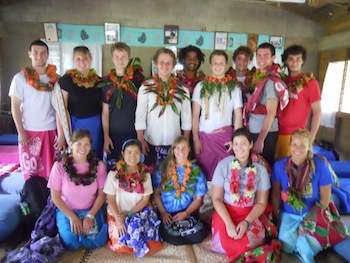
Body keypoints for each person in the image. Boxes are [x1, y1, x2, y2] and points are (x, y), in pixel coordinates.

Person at [271, 129, 348, 263]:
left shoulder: (320, 165)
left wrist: (309, 222)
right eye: (294, 144)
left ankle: (304, 245)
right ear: (289, 145)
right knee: (286, 246)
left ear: (309, 147)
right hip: (289, 214)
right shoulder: (279, 166)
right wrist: (275, 217)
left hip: (313, 213)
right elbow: (276, 195)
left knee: (306, 244)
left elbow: (325, 199)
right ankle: (303, 243)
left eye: (302, 146)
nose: (297, 149)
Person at [211, 128, 271, 261]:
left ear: (251, 144)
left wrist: (246, 222)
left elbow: (261, 203)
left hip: (249, 213)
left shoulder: (260, 169)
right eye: (236, 143)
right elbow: (216, 198)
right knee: (222, 243)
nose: (239, 148)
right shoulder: (223, 165)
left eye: (243, 143)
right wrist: (228, 223)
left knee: (250, 242)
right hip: (225, 212)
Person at [48, 129, 107, 250]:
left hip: (91, 210)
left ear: (90, 147)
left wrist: (90, 216)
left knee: (95, 241)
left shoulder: (98, 165)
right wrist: (72, 217)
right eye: (79, 143)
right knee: (71, 242)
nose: (82, 148)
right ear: (71, 144)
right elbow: (55, 197)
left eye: (86, 144)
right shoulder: (59, 166)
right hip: (67, 211)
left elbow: (102, 194)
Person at [9, 40, 59, 180]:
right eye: (35, 52)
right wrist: (21, 131)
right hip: (29, 132)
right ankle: (31, 200)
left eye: (43, 53)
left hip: (51, 130)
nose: (39, 56)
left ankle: (51, 201)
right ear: (29, 54)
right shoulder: (19, 78)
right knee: (31, 172)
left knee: (52, 173)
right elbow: (15, 106)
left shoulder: (56, 79)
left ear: (48, 55)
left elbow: (60, 108)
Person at [103, 139, 162, 257]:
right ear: (123, 154)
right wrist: (119, 219)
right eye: (129, 152)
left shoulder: (145, 174)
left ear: (140, 155)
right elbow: (111, 199)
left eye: (136, 152)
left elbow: (145, 200)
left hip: (138, 212)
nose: (133, 156)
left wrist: (129, 214)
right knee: (121, 245)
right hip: (118, 213)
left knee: (151, 244)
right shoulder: (114, 174)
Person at [135, 48, 191, 168]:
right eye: (161, 62)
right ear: (155, 64)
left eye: (168, 63)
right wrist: (140, 139)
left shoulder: (182, 90)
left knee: (172, 179)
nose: (164, 65)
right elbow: (140, 115)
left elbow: (186, 119)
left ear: (173, 65)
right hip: (150, 142)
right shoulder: (146, 87)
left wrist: (185, 141)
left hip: (174, 144)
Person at [192, 50, 243, 180]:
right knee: (205, 174)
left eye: (221, 63)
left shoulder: (234, 88)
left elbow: (238, 116)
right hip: (205, 138)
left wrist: (236, 140)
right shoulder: (201, 86)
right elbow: (194, 115)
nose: (218, 66)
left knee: (226, 174)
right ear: (210, 65)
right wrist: (196, 139)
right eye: (215, 63)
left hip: (225, 139)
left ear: (226, 65)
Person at [153, 136, 209, 245]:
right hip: (167, 213)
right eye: (177, 148)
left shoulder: (196, 170)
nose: (181, 151)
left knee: (198, 236)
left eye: (184, 148)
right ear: (173, 151)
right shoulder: (163, 168)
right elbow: (156, 194)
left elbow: (199, 199)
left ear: (189, 149)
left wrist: (186, 213)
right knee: (171, 236)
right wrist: (163, 213)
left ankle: (198, 224)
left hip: (188, 211)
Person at [100, 42, 144, 170]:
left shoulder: (137, 82)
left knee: (133, 168)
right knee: (114, 169)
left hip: (133, 133)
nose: (120, 60)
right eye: (117, 56)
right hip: (113, 135)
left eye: (124, 56)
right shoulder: (106, 83)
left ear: (129, 58)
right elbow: (105, 112)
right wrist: (106, 136)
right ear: (112, 58)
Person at [244, 42, 289, 167]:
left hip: (265, 134)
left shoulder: (271, 81)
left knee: (263, 169)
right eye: (259, 55)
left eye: (266, 56)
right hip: (256, 130)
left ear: (273, 58)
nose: (261, 59)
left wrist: (260, 140)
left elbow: (271, 112)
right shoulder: (260, 76)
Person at [56, 46, 103, 159]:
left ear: (90, 59)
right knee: (77, 156)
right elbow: (60, 109)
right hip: (75, 125)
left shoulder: (98, 81)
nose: (82, 62)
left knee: (94, 157)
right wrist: (61, 135)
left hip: (95, 126)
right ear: (73, 61)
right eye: (78, 59)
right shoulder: (66, 81)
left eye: (85, 58)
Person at [275, 45, 321, 160]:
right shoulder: (280, 81)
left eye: (298, 59)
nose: (294, 63)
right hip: (276, 133)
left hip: (297, 136)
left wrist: (311, 139)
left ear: (302, 61)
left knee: (293, 172)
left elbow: (317, 112)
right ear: (285, 61)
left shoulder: (310, 83)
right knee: (276, 170)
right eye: (291, 59)